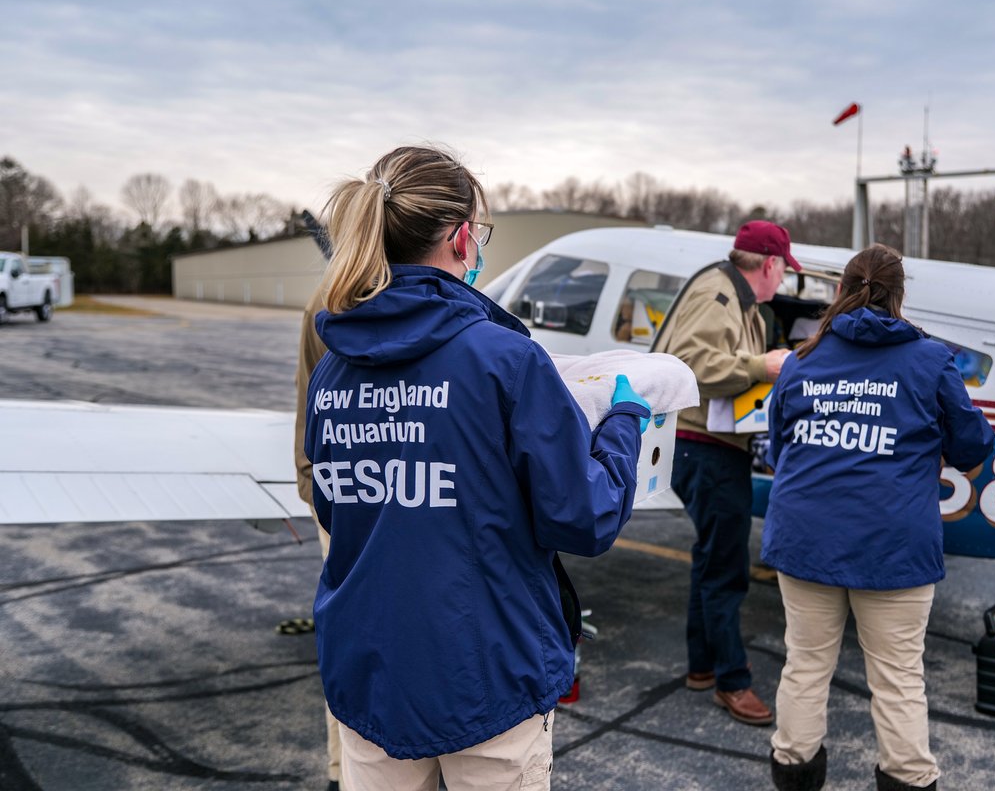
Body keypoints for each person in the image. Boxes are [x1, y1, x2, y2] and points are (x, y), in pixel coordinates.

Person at [303, 145, 650, 790]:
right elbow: (584, 516)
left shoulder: (332, 370)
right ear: (464, 238)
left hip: (370, 669)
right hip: (487, 673)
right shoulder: (505, 360)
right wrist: (623, 424)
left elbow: (338, 509)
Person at [761, 244, 993, 791]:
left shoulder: (801, 361)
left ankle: (795, 774)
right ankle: (908, 778)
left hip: (805, 538)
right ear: (900, 297)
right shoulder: (931, 360)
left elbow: (777, 449)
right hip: (893, 546)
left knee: (805, 667)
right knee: (898, 680)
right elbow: (973, 444)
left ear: (839, 291)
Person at [652, 220, 796, 726]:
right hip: (704, 446)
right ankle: (732, 681)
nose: (781, 282)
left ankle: (702, 667)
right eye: (783, 271)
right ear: (771, 265)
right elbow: (691, 364)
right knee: (727, 568)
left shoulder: (733, 294)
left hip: (706, 446)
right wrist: (764, 367)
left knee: (712, 558)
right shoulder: (720, 292)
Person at [293, 281, 342, 791]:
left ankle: (344, 771)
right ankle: (342, 771)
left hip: (333, 485)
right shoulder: (337, 301)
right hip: (355, 491)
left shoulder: (324, 297)